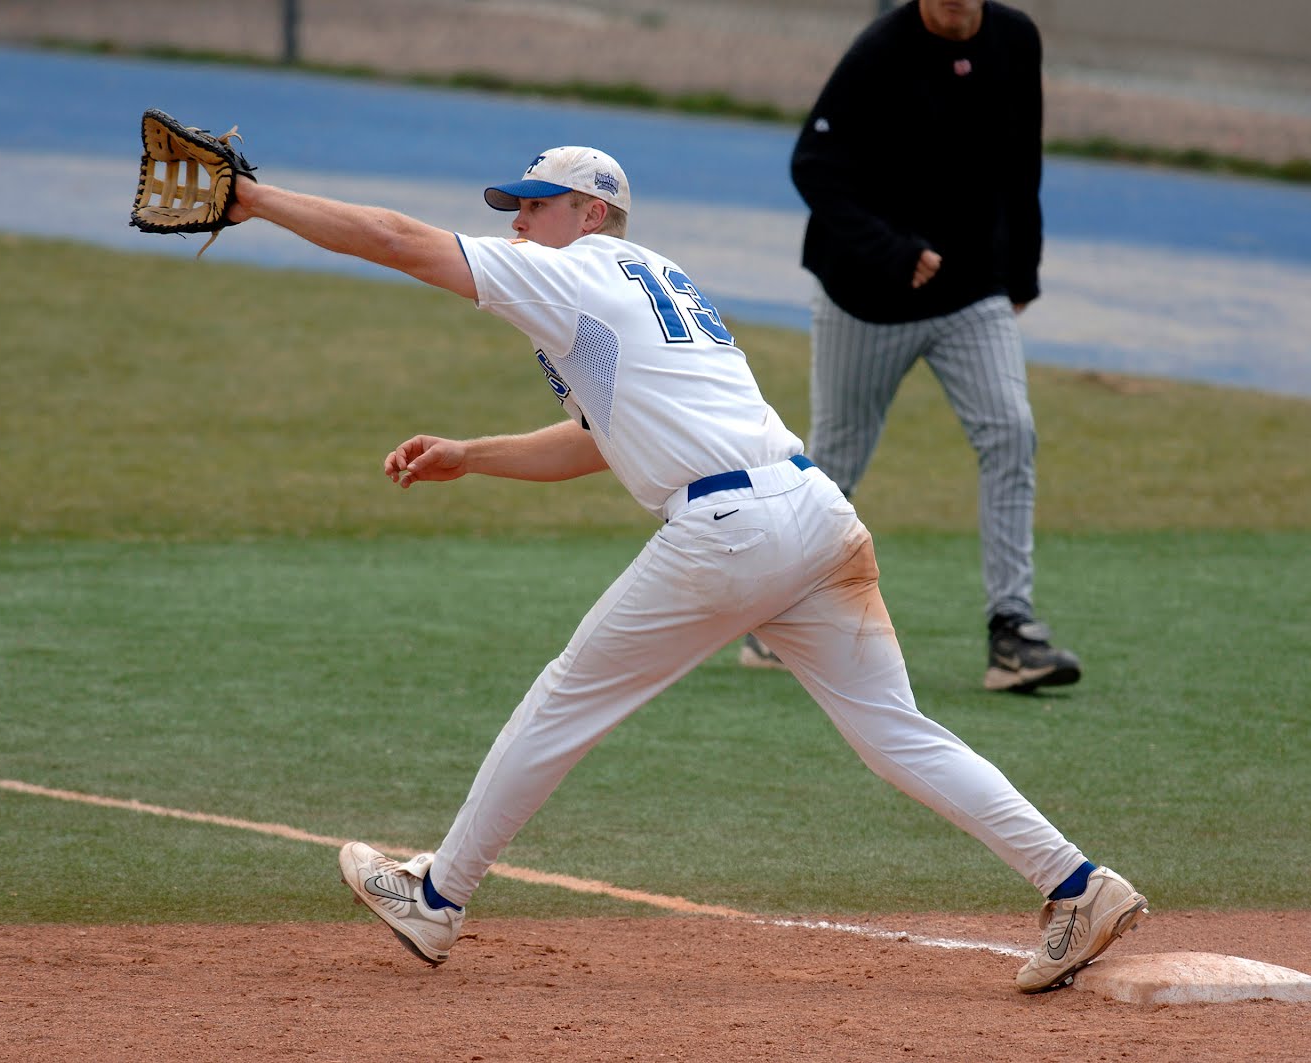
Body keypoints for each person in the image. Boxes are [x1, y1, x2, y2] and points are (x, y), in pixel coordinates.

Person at [225, 144, 1145, 992]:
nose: (516, 222)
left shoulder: (574, 269)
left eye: (534, 204)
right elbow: (599, 439)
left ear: (589, 212)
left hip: (731, 531)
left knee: (564, 701)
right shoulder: (654, 277)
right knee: (897, 733)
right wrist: (473, 453)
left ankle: (435, 898)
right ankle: (1078, 883)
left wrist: (257, 199)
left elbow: (397, 240)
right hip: (815, 517)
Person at [740, 0, 1081, 695]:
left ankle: (1012, 629)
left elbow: (1023, 157)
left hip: (972, 291)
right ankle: (774, 609)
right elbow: (813, 165)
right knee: (835, 462)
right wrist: (892, 253)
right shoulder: (878, 53)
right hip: (866, 295)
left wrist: (1024, 269)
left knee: (1011, 431)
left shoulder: (1015, 39)